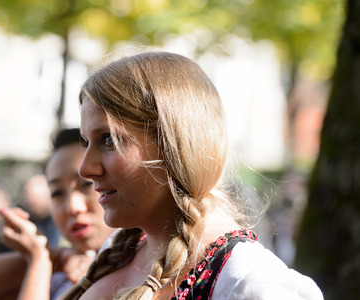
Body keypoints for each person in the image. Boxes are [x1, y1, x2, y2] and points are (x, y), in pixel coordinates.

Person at [56, 51, 323, 300]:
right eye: (86, 142)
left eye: (109, 140)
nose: (86, 168)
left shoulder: (250, 283)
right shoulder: (121, 248)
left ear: (173, 143)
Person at [0, 128, 116, 300]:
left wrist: (40, 260)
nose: (72, 207)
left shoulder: (134, 274)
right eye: (57, 193)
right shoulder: (62, 277)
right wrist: (51, 256)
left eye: (86, 184)